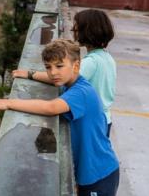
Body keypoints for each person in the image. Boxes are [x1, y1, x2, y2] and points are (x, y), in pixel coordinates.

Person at [0, 39, 119, 196]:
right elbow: (53, 78)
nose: (53, 72)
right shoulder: (70, 83)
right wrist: (30, 74)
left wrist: (7, 103)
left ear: (76, 66)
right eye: (48, 67)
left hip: (99, 175)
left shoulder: (81, 92)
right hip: (90, 172)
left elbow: (51, 108)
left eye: (59, 66)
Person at [12, 9, 116, 137]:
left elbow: (63, 78)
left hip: (94, 122)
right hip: (105, 117)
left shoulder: (92, 62)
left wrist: (30, 74)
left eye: (76, 29)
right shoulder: (106, 57)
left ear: (87, 31)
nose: (73, 32)